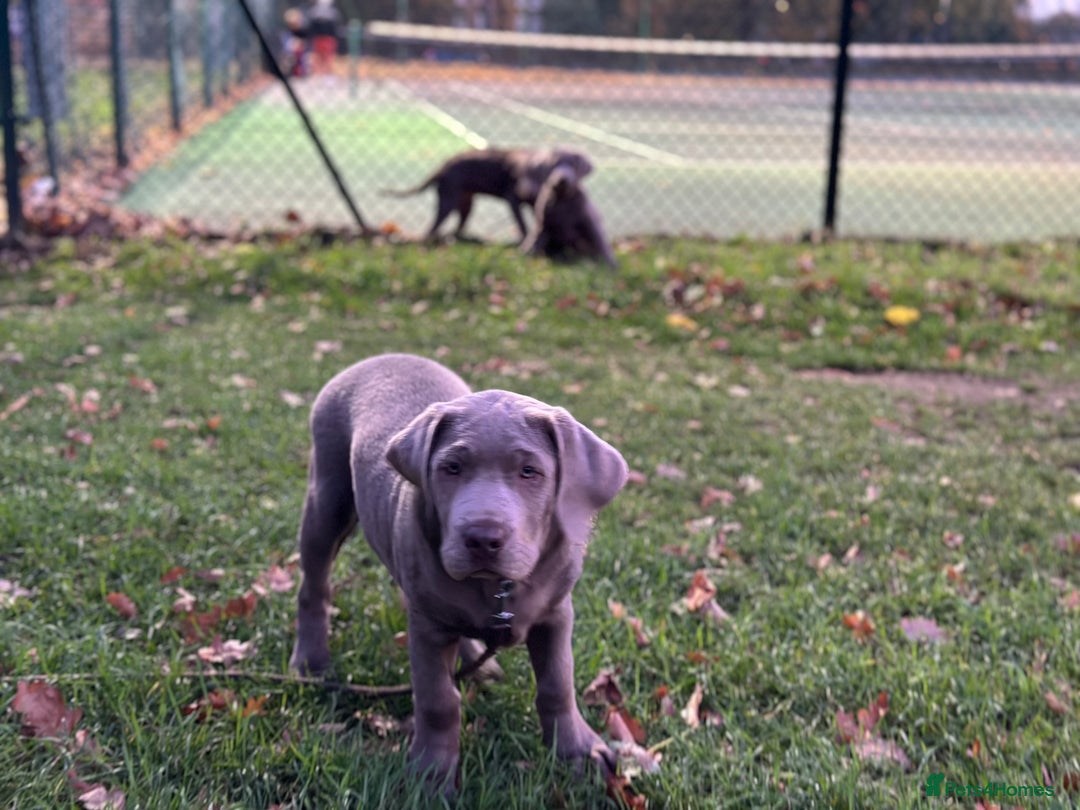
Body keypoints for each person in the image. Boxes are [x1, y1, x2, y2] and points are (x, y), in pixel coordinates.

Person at [307, 0, 341, 75]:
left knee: (327, 57)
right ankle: (320, 73)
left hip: (328, 38)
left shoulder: (333, 13)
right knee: (319, 57)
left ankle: (326, 73)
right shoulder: (314, 12)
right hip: (319, 38)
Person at [282, 7, 309, 77]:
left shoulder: (305, 33)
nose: (294, 25)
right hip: (291, 62)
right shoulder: (286, 35)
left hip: (304, 64)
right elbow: (286, 49)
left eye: (296, 23)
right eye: (291, 23)